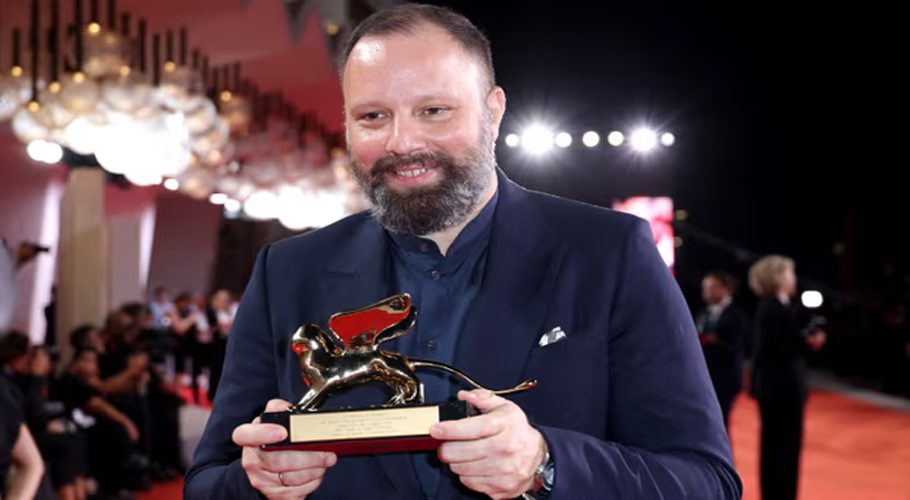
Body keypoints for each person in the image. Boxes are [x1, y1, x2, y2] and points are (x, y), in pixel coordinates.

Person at [186, 4, 741, 499]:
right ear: (348, 125)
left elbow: (706, 482)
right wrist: (256, 480)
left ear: (494, 112)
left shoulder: (610, 254)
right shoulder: (287, 270)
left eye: (434, 111)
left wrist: (545, 465)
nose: (402, 142)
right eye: (373, 116)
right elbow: (209, 481)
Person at [749, 255, 826, 500]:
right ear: (778, 277)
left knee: (777, 448)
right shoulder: (774, 308)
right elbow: (776, 349)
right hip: (782, 391)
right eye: (790, 274)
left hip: (776, 389)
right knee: (783, 449)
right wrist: (808, 343)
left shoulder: (773, 306)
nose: (794, 279)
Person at [695, 270, 750, 428]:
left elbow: (740, 347)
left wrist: (714, 342)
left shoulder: (737, 316)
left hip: (726, 378)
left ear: (727, 289)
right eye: (705, 287)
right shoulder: (703, 313)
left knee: (720, 424)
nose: (706, 292)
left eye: (712, 287)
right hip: (704, 378)